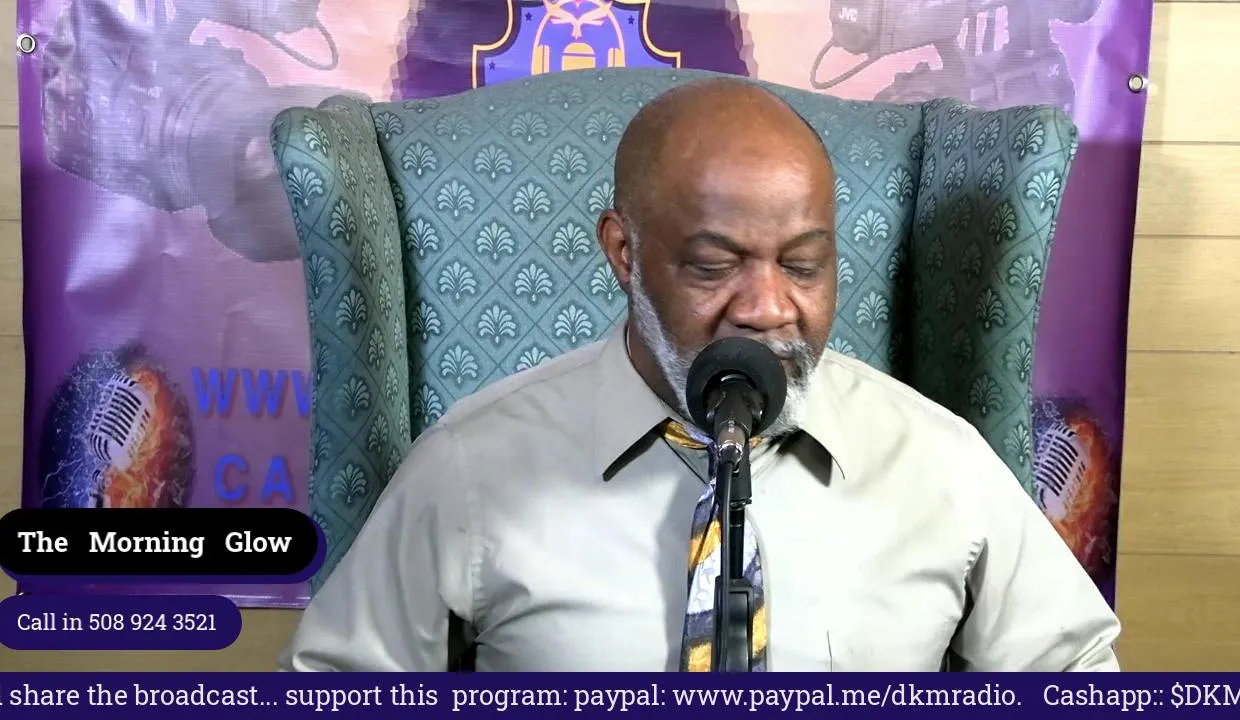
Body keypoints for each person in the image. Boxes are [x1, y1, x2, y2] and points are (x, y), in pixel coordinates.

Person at [278, 77, 1121, 672]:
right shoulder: (472, 467)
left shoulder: (942, 463)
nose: (768, 308)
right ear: (625, 252)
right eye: (715, 266)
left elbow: (1075, 674)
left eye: (804, 265)